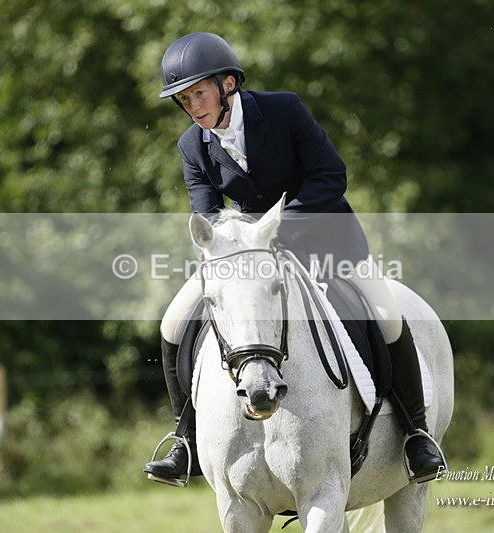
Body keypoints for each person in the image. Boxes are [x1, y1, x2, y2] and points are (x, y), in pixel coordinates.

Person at [143, 32, 445, 485]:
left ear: (227, 85)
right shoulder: (192, 146)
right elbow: (206, 215)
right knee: (172, 323)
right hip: (247, 255)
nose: (193, 107)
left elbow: (331, 176)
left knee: (386, 313)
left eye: (198, 94)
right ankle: (184, 439)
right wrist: (240, 244)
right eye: (184, 100)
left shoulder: (284, 110)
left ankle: (416, 435)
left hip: (328, 241)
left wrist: (279, 229)